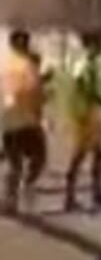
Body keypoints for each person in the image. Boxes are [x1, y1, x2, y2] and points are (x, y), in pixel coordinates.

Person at [64, 31, 101, 213]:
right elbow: (83, 89)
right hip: (84, 115)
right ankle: (69, 196)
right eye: (99, 43)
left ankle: (97, 193)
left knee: (100, 153)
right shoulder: (83, 64)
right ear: (91, 44)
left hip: (94, 113)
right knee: (78, 156)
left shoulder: (94, 63)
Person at [1, 30, 49, 214]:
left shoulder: (5, 63)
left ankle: (10, 199)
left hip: (9, 120)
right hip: (26, 121)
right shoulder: (27, 65)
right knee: (37, 158)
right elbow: (35, 92)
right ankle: (24, 189)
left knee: (15, 162)